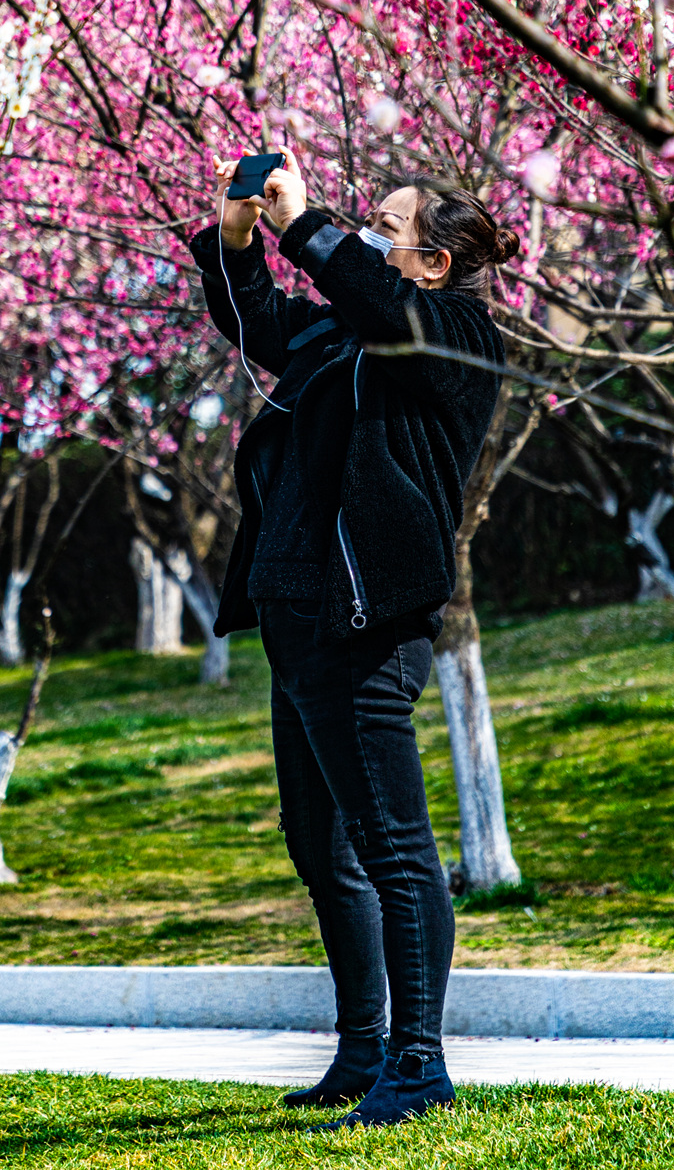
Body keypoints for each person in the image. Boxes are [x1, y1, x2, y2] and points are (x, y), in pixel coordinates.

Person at [187, 147, 519, 1130]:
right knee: (319, 842)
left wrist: (309, 224)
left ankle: (419, 1064)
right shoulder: (344, 338)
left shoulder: (453, 332)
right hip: (295, 616)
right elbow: (266, 326)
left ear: (432, 261)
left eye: (387, 229)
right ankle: (363, 1046)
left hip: (365, 621)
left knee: (393, 847)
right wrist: (237, 240)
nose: (367, 239)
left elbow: (385, 308)